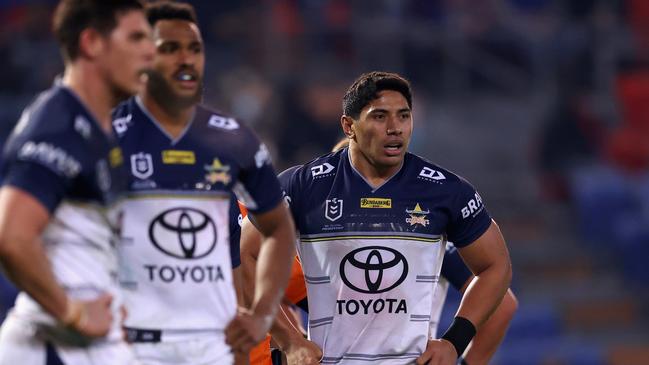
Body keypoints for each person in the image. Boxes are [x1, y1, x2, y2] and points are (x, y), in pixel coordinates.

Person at [248, 71, 512, 365]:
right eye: (379, 116)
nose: (394, 128)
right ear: (349, 126)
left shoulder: (445, 190)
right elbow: (244, 254)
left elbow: (495, 266)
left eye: (403, 116)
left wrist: (454, 342)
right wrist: (290, 341)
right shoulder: (302, 185)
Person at [111, 1, 296, 363]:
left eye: (194, 49)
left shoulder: (232, 142)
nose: (186, 60)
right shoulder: (103, 137)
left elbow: (272, 234)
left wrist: (257, 320)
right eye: (170, 49)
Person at [0, 1, 154, 364]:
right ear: (92, 43)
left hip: (90, 344)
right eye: (135, 38)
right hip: (56, 346)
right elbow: (11, 235)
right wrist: (73, 312)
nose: (150, 51)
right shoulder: (59, 126)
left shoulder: (98, 130)